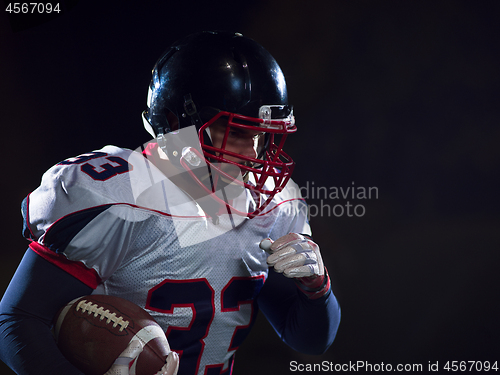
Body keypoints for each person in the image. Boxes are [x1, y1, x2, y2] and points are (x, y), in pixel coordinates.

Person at [0, 31, 340, 375]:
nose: (253, 153)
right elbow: (17, 320)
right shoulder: (120, 197)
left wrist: (317, 289)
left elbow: (309, 340)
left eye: (261, 135)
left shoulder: (273, 204)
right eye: (237, 132)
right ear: (177, 123)